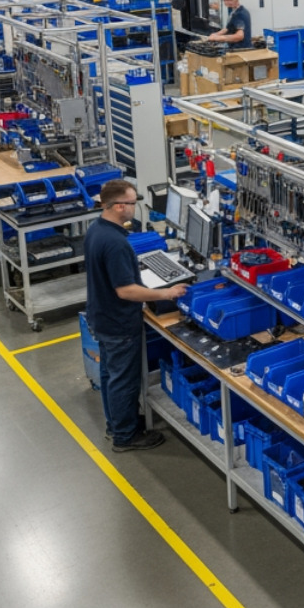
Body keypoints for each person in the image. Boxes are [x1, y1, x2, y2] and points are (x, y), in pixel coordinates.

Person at [84, 179, 187, 451]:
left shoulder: (97, 229)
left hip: (102, 316)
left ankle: (117, 423)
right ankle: (125, 436)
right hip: (118, 321)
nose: (135, 207)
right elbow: (126, 291)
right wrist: (167, 294)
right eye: (132, 203)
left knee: (110, 376)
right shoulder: (115, 242)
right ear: (119, 206)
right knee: (124, 381)